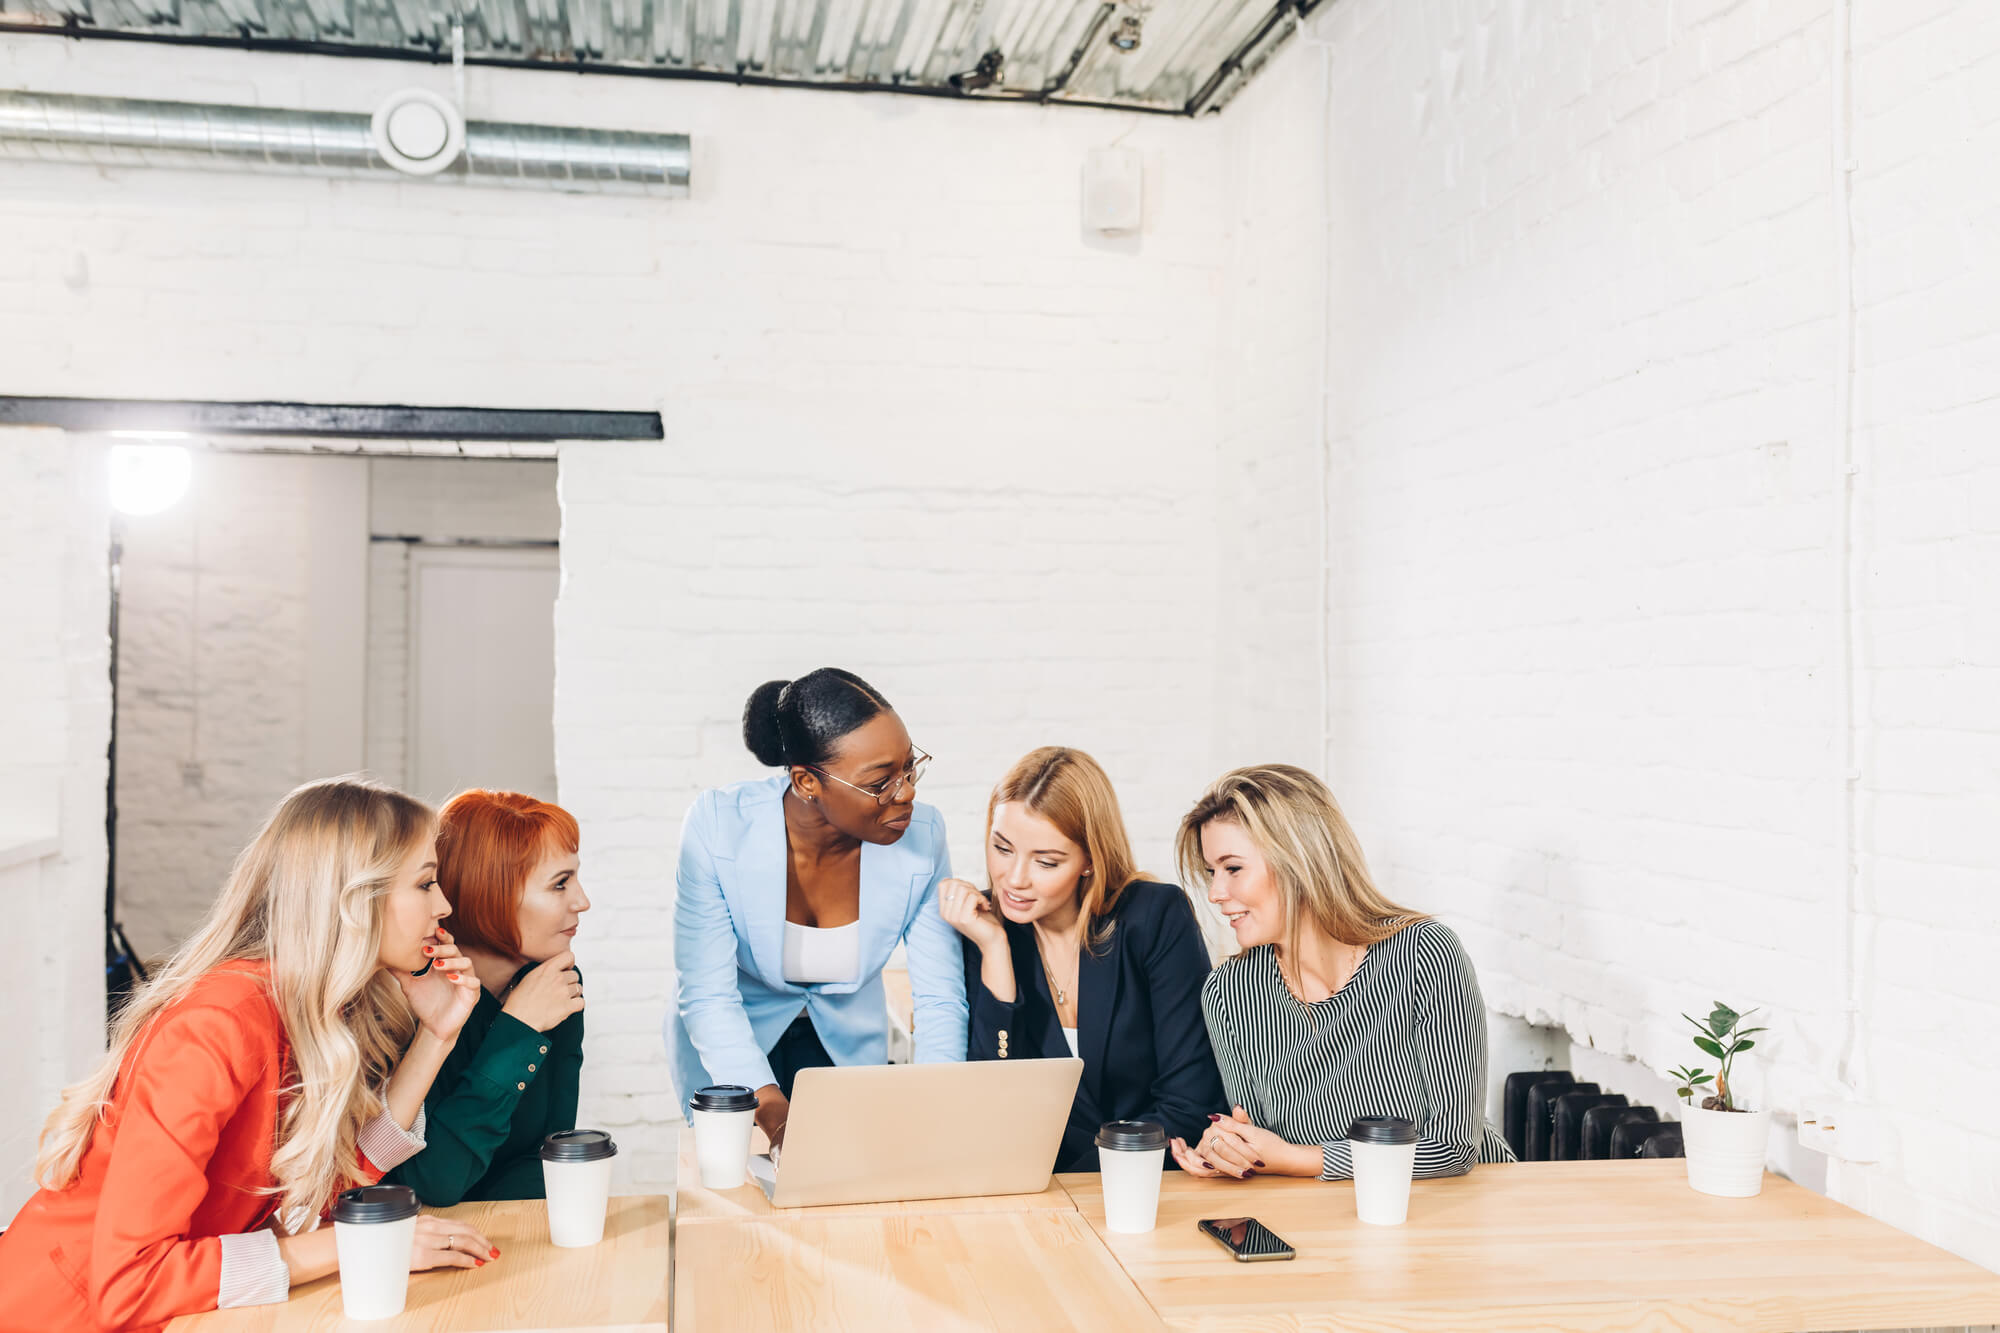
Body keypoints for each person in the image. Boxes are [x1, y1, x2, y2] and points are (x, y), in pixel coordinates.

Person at [0, 777, 498, 1333]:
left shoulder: (305, 1010)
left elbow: (323, 1194)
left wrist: (438, 1035)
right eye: (426, 884)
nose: (444, 905)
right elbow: (130, 1284)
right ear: (353, 898)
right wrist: (361, 1244)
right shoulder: (219, 1024)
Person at [667, 668, 967, 1155]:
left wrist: (936, 1102)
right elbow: (707, 996)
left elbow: (939, 998)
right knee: (741, 1201)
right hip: (734, 1043)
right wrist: (778, 1121)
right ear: (808, 781)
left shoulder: (923, 838)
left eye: (910, 768)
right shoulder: (719, 828)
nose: (907, 791)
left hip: (845, 1048)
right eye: (881, 781)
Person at [1172, 764, 1512, 1182]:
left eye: (1233, 869)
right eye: (1211, 872)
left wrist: (1292, 1159)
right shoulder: (1229, 993)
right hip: (1335, 1217)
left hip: (1465, 1208)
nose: (1216, 894)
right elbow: (1263, 1147)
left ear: (1300, 860)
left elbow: (1453, 1148)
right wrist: (1231, 1149)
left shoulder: (1424, 953)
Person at [938, 746, 1224, 1172]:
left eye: (1046, 862)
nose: (1014, 879)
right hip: (1030, 1191)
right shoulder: (980, 927)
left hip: (1142, 1183)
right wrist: (995, 950)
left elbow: (1190, 1103)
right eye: (1002, 848)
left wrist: (1072, 1187)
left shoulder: (1154, 917)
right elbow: (991, 1104)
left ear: (1090, 859)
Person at [385, 790, 589, 1204]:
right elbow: (427, 1184)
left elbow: (547, 1156)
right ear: (489, 893)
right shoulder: (410, 999)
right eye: (560, 884)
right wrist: (517, 1032)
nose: (582, 902)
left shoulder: (555, 982)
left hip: (507, 1235)